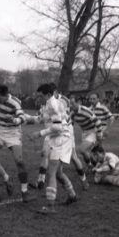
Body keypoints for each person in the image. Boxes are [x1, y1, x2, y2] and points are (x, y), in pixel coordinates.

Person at [29, 83, 77, 214]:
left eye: (40, 96)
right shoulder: (48, 103)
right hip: (58, 138)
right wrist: (22, 118)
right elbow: (40, 118)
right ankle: (72, 195)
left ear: (48, 95)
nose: (38, 98)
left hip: (61, 138)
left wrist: (39, 134)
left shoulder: (52, 104)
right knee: (58, 173)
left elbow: (58, 127)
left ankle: (50, 207)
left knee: (52, 172)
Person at [0, 84, 34, 202]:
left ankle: (24, 192)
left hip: (13, 134)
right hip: (0, 132)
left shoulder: (15, 103)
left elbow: (22, 117)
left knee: (19, 162)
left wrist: (15, 120)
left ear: (5, 95)